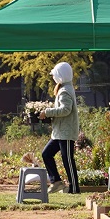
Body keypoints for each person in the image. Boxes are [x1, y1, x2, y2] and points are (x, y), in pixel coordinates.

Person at [39, 61, 80, 193]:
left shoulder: (64, 91)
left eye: (55, 75)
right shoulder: (64, 88)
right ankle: (56, 181)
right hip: (59, 132)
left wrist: (47, 112)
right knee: (46, 154)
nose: (54, 77)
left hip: (66, 132)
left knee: (67, 159)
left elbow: (66, 110)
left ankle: (74, 189)